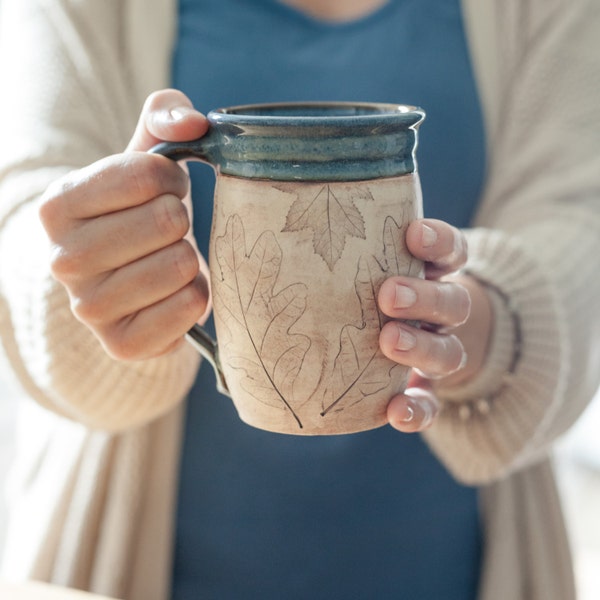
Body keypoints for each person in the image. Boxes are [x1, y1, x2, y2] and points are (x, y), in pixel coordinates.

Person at [0, 0, 598, 599]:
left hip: (452, 568)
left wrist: (479, 326)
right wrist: (91, 282)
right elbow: (23, 209)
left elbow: (579, 216)